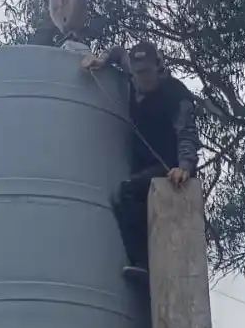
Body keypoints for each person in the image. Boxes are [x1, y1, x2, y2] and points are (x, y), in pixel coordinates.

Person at [82, 41, 200, 282]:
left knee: (127, 192)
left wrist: (185, 167)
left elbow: (187, 133)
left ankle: (143, 262)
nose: (141, 78)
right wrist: (101, 59)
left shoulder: (176, 95)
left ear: (158, 66)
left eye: (146, 72)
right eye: (137, 73)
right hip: (141, 163)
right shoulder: (133, 74)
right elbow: (117, 51)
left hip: (167, 166)